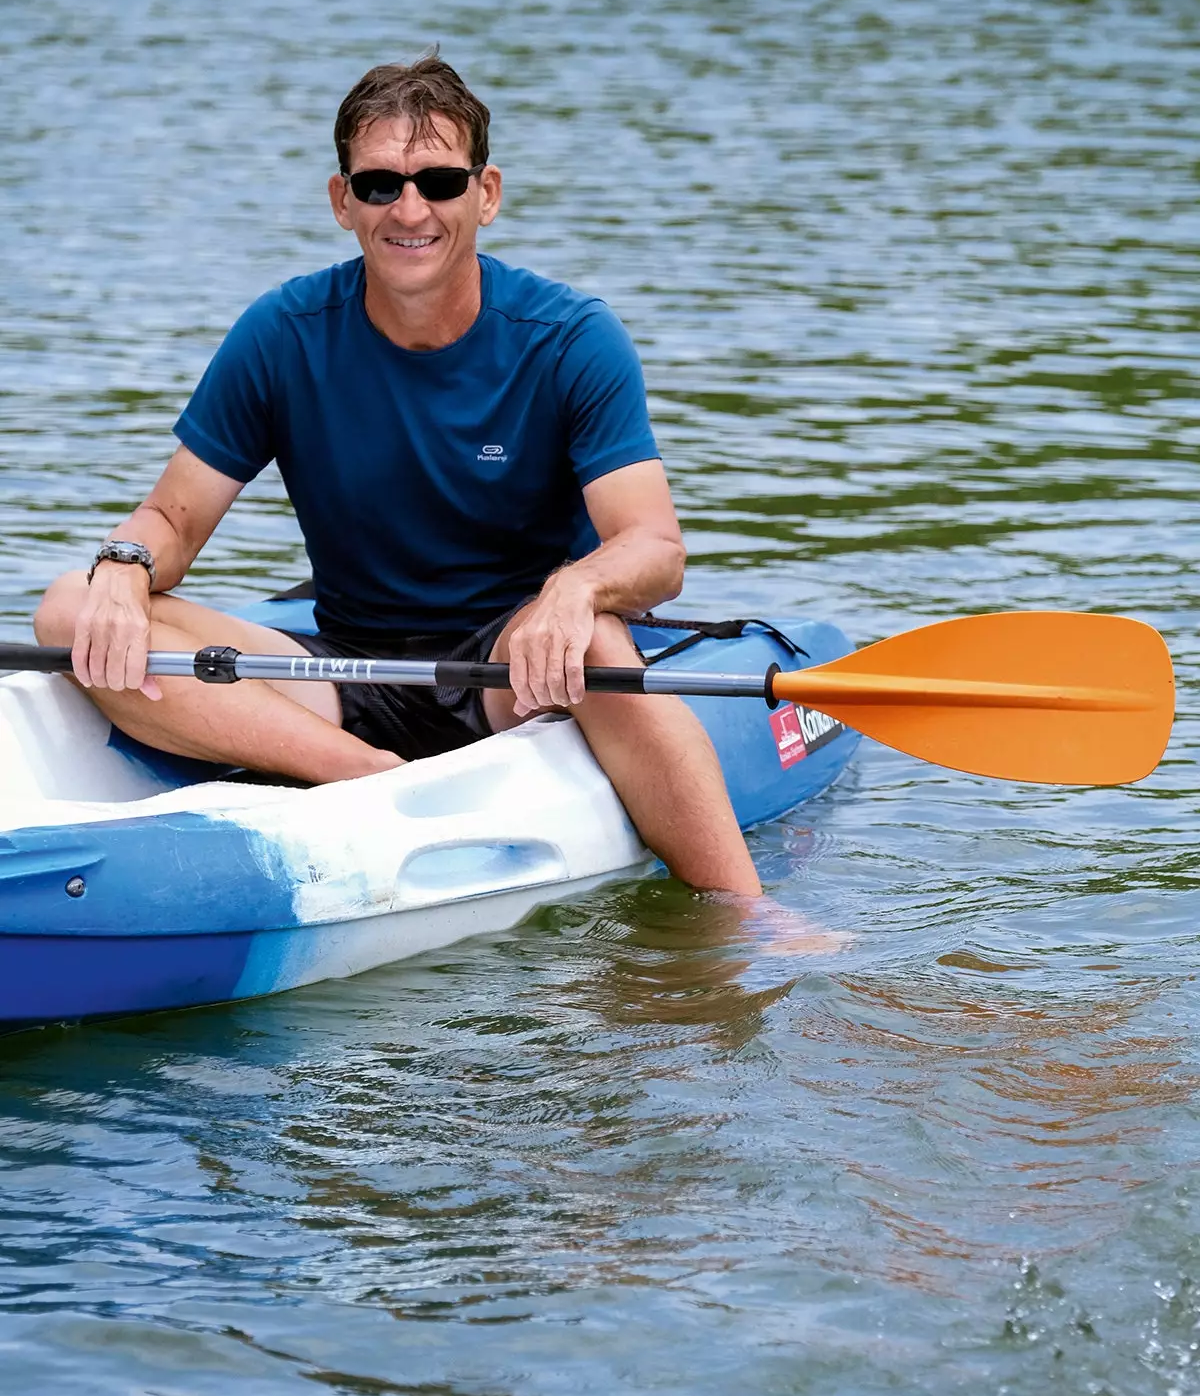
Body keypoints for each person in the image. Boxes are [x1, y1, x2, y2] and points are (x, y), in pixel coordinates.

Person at [35, 55, 760, 897]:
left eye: (439, 181)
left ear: (485, 193)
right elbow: (174, 518)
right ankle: (366, 778)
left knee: (596, 639)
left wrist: (573, 591)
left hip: (514, 671)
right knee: (71, 606)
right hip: (341, 674)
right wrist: (124, 568)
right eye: (380, 184)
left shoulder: (571, 338)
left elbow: (655, 548)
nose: (410, 209)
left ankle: (751, 919)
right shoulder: (282, 332)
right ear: (343, 202)